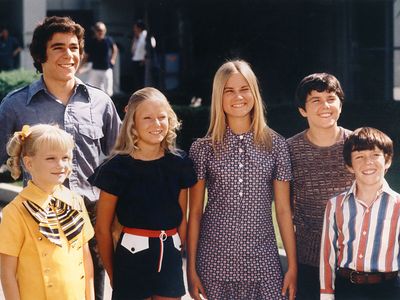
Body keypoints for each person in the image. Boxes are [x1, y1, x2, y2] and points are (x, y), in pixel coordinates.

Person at [0, 16, 121, 300]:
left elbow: (123, 159)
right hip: (35, 220)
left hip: (90, 217)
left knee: (91, 289)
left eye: (74, 47)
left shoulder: (100, 102)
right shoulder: (15, 105)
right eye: (58, 48)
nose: (69, 55)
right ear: (41, 54)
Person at [187, 59, 297, 300]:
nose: (238, 97)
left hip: (264, 261)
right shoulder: (203, 148)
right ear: (219, 96)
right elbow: (194, 212)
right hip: (213, 261)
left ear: (254, 93)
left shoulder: (276, 145)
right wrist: (191, 268)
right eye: (229, 91)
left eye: (244, 89)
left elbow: (283, 210)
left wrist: (292, 266)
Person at [88, 87, 197, 299]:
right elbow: (102, 229)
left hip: (170, 257)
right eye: (147, 118)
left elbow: (181, 219)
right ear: (132, 123)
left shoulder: (179, 163)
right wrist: (113, 274)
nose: (156, 124)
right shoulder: (116, 168)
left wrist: (182, 259)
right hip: (131, 259)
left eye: (162, 117)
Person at [0, 124, 95, 300]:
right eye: (51, 158)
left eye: (65, 157)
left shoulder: (76, 201)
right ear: (29, 163)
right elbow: (7, 273)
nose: (60, 165)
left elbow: (85, 258)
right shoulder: (15, 212)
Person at [287, 73, 354, 300]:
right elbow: (285, 209)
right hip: (308, 261)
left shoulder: (358, 145)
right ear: (302, 110)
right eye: (315, 100)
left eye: (331, 98)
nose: (325, 105)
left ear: (340, 104)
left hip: (353, 261)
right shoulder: (289, 150)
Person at [320, 127, 400, 300]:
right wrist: (326, 294)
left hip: (388, 290)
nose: (368, 162)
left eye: (375, 155)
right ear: (350, 166)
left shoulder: (398, 205)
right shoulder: (335, 205)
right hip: (347, 289)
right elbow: (328, 256)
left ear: (387, 161)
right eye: (359, 157)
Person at [84, 22, 118, 96]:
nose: (100, 32)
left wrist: (113, 59)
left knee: (108, 92)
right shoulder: (92, 41)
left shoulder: (108, 40)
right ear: (95, 31)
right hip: (95, 69)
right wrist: (81, 65)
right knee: (94, 90)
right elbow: (86, 55)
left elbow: (115, 49)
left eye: (102, 30)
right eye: (98, 30)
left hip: (106, 69)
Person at [131, 19, 147, 92]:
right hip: (136, 59)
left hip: (142, 60)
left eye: (135, 27)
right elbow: (133, 49)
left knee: (142, 79)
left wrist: (144, 57)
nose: (134, 29)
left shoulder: (145, 35)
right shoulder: (137, 37)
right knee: (136, 80)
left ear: (139, 28)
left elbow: (149, 47)